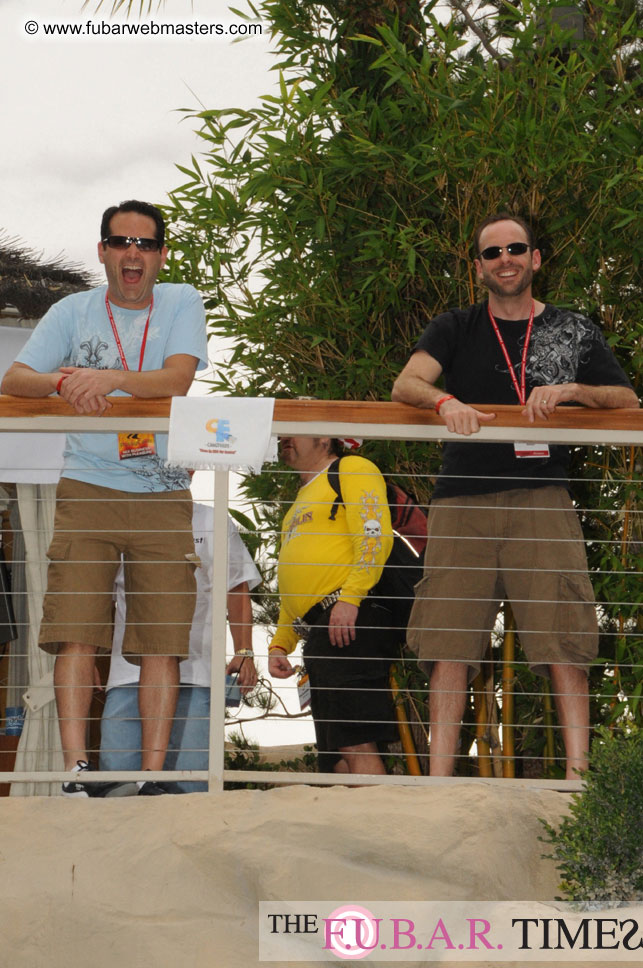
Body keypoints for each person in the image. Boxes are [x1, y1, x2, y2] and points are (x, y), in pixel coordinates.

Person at [392, 212, 639, 779]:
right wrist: (442, 403)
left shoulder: (573, 330)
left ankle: (580, 784)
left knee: (564, 643)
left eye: (516, 248)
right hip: (461, 502)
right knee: (448, 645)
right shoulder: (454, 326)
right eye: (492, 252)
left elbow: (625, 400)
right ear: (478, 266)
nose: (505, 259)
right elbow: (407, 382)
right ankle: (437, 788)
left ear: (535, 258)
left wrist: (573, 390)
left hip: (541, 500)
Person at [1, 200, 208, 796]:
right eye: (120, 243)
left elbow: (176, 380)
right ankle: (74, 771)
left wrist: (110, 378)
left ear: (161, 254)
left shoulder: (182, 301)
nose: (132, 253)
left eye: (144, 243)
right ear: (103, 252)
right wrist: (68, 381)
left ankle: (149, 775)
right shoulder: (71, 309)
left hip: (164, 490)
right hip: (87, 486)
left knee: (163, 639)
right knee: (76, 631)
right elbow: (14, 381)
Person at [99, 502, 261, 793]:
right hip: (126, 679)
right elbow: (102, 600)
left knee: (187, 795)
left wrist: (244, 651)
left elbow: (235, 587)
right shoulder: (120, 517)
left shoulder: (212, 519)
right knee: (116, 791)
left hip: (194, 677)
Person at [268, 436, 398, 775]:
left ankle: (384, 826)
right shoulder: (300, 498)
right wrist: (282, 641)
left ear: (324, 437)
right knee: (335, 753)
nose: (283, 440)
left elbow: (374, 535)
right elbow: (293, 579)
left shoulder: (352, 469)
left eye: (292, 434)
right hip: (322, 629)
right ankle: (357, 823)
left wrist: (350, 598)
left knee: (355, 740)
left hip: (348, 619)